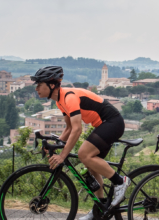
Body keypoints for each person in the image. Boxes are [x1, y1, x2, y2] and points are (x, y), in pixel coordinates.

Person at [31, 66, 129, 220]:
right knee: (91, 165)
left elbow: (77, 130)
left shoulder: (69, 97)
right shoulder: (59, 101)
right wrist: (57, 145)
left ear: (51, 85)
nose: (36, 88)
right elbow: (69, 128)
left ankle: (120, 182)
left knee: (84, 154)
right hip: (102, 125)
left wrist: (62, 156)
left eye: (39, 84)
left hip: (112, 122)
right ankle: (100, 208)